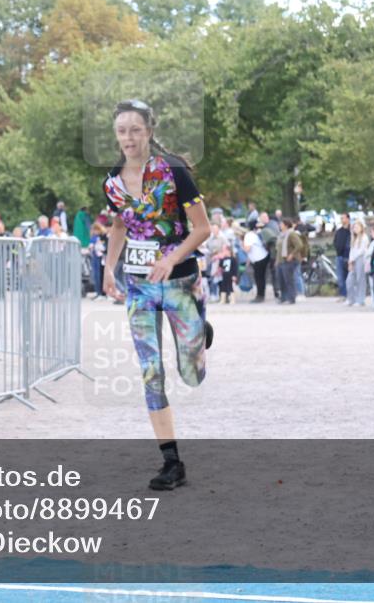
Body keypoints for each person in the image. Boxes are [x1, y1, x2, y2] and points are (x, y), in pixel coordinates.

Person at [101, 99, 212, 491]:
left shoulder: (174, 172)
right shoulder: (112, 182)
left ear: (149, 131)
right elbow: (118, 225)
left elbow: (202, 229)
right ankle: (171, 462)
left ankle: (200, 333)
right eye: (121, 131)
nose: (128, 138)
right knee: (151, 372)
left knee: (192, 373)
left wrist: (171, 257)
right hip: (139, 286)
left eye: (135, 129)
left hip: (181, 280)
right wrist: (108, 268)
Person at [277, 218, 304, 305]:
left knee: (289, 279)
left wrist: (292, 254)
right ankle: (284, 297)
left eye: (281, 224)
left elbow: (299, 245)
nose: (280, 226)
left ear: (286, 225)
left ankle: (291, 298)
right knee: (282, 279)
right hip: (282, 259)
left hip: (290, 259)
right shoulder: (282, 235)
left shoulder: (291, 234)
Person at [242, 221, 269, 303]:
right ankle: (261, 295)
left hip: (259, 259)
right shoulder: (254, 234)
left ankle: (260, 296)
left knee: (259, 278)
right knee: (261, 278)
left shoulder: (248, 235)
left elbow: (247, 249)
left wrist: (242, 245)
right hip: (263, 256)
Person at [345, 219, 368, 307]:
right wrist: (350, 260)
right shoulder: (354, 238)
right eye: (354, 227)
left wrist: (353, 259)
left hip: (360, 259)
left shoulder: (364, 237)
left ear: (362, 228)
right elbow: (352, 250)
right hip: (353, 260)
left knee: (360, 279)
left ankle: (360, 299)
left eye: (357, 227)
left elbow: (361, 250)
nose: (355, 228)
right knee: (349, 280)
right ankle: (351, 298)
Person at [333, 213, 351, 302]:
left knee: (348, 276)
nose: (342, 220)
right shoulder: (339, 231)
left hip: (347, 256)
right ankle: (343, 294)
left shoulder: (351, 231)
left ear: (348, 219)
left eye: (343, 218)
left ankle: (350, 294)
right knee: (340, 277)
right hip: (339, 256)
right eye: (341, 218)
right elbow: (335, 241)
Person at [89, 222, 107, 299]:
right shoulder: (95, 237)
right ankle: (99, 292)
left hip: (99, 257)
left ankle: (100, 292)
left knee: (99, 275)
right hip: (97, 257)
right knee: (97, 275)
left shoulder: (101, 237)